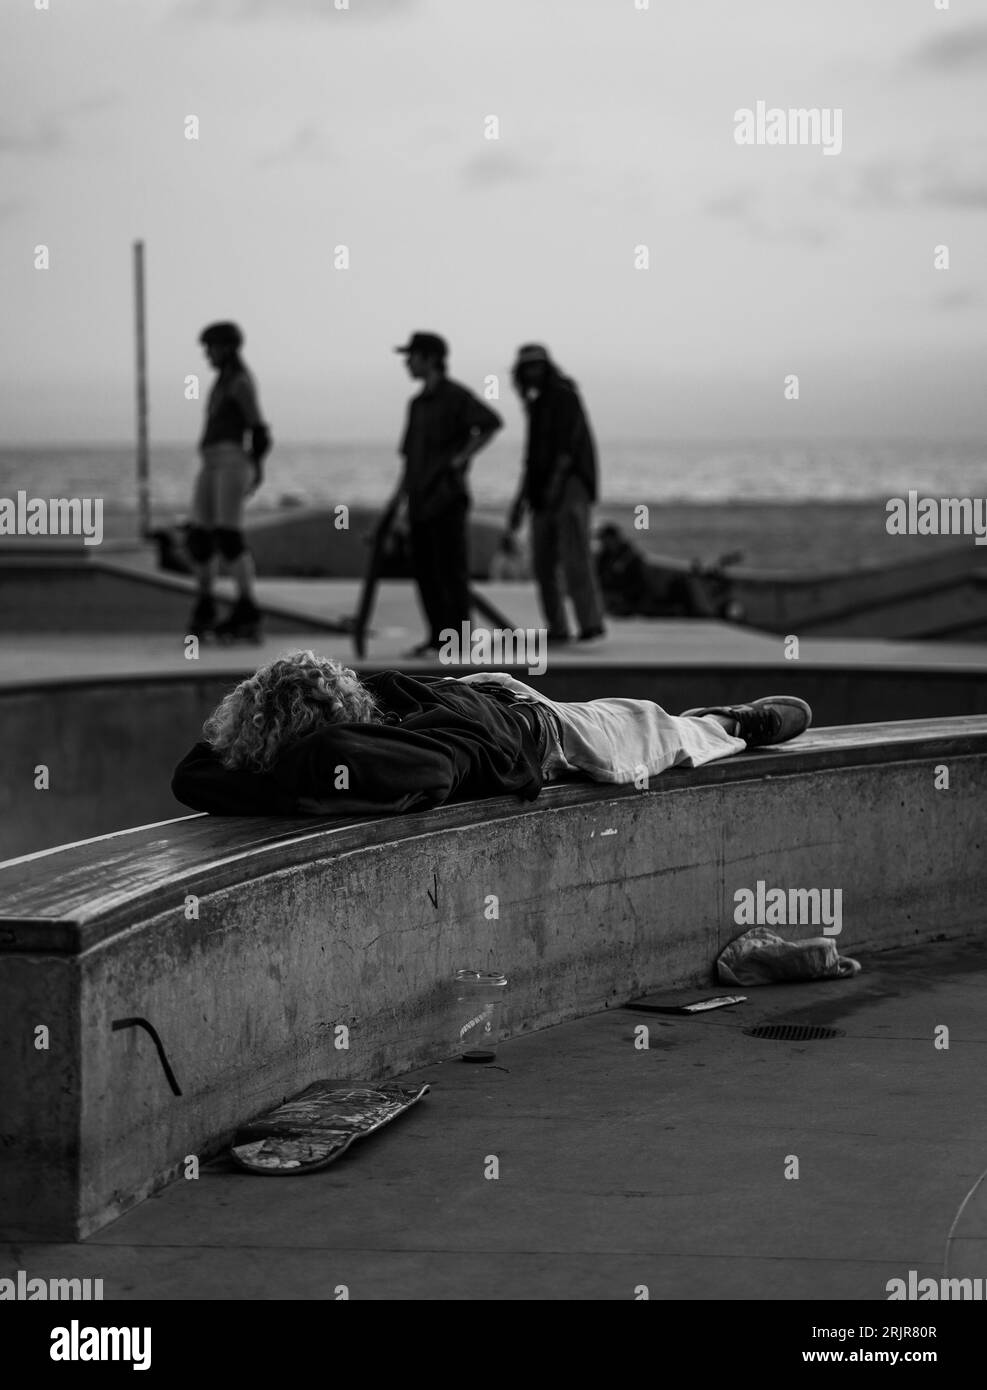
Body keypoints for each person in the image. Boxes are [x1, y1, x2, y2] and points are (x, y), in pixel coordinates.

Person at [171, 648, 812, 817]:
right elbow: (191, 774)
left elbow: (432, 776)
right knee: (646, 723)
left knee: (650, 723)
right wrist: (295, 764)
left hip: (520, 711)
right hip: (522, 715)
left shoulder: (385, 742)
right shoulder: (364, 738)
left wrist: (281, 767)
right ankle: (726, 722)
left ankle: (728, 722)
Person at [390, 332, 502, 657]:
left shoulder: (455, 396)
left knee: (452, 570)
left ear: (429, 357)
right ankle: (438, 637)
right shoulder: (416, 404)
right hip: (420, 502)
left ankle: (461, 641)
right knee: (426, 572)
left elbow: (491, 423)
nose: (407, 363)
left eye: (411, 356)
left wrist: (462, 456)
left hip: (448, 499)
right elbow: (409, 459)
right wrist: (397, 503)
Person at [506, 344, 606, 645]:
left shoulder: (564, 395)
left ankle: (591, 624)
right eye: (527, 368)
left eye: (537, 366)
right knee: (542, 562)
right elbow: (532, 459)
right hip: (542, 492)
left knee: (575, 556)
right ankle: (558, 627)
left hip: (571, 487)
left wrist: (553, 488)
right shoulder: (536, 405)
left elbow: (567, 449)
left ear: (546, 367)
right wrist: (520, 501)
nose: (532, 373)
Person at [186, 321, 272, 642]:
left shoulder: (239, 382)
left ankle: (248, 608)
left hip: (232, 461)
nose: (207, 354)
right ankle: (205, 604)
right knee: (200, 537)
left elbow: (259, 430)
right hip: (211, 462)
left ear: (227, 348)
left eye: (211, 347)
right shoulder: (222, 381)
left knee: (228, 536)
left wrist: (257, 468)